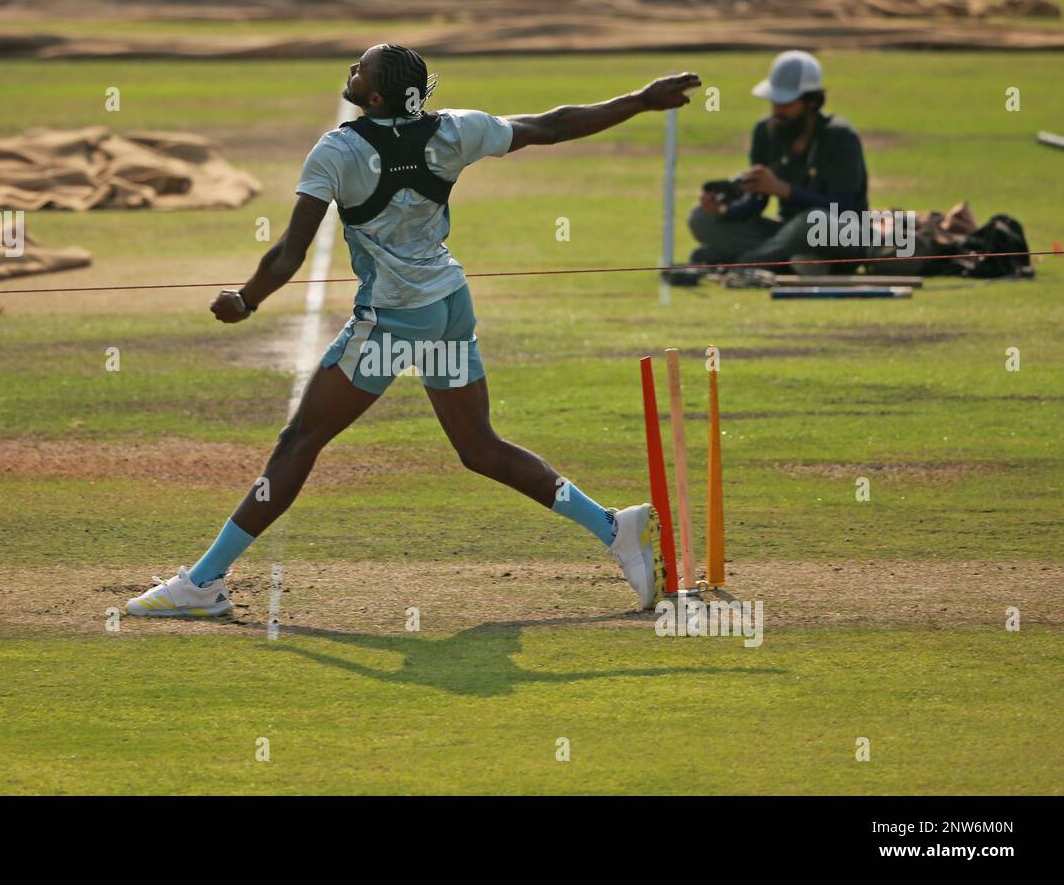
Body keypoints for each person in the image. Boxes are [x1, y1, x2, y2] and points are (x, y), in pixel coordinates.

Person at [126, 44, 700, 620]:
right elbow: (550, 126)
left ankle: (202, 583)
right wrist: (640, 101)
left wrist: (246, 300)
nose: (351, 70)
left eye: (360, 69)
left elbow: (289, 253)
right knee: (480, 449)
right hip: (450, 307)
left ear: (373, 96)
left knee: (299, 440)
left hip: (395, 324)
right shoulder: (456, 131)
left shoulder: (337, 150)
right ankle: (614, 528)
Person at [687, 50, 869, 272]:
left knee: (813, 220)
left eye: (786, 104)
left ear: (811, 102)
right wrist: (725, 209)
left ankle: (744, 263)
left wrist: (785, 191)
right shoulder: (766, 131)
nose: (777, 111)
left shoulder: (840, 137)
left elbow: (843, 207)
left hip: (839, 232)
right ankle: (792, 262)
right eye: (774, 102)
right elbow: (756, 202)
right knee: (701, 218)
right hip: (786, 233)